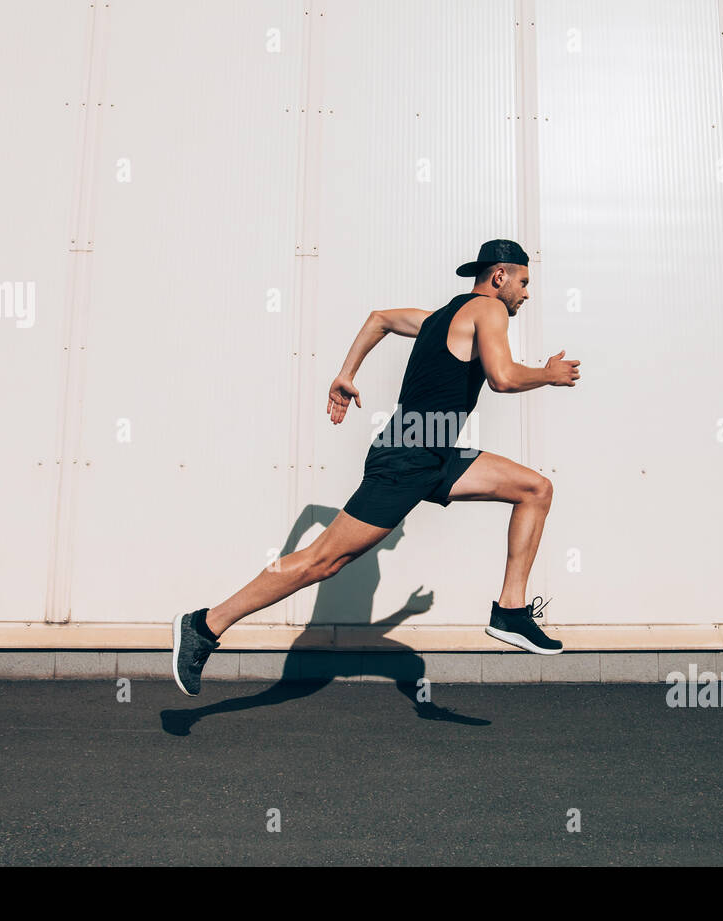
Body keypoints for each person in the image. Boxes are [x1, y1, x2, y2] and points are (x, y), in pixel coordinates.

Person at [173, 239, 581, 696]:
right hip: (408, 456)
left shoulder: (436, 319)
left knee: (535, 490)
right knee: (322, 561)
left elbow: (379, 319)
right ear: (500, 276)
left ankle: (510, 612)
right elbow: (502, 377)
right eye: (524, 282)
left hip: (436, 453)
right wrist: (547, 374)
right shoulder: (490, 311)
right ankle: (204, 625)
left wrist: (347, 374)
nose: (526, 294)